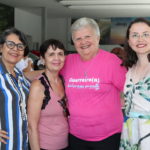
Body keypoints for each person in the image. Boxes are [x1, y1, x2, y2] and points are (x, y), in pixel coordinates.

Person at [60, 17, 127, 150]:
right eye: (78, 39)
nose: (83, 42)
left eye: (87, 36)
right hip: (76, 135)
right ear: (73, 42)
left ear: (97, 37)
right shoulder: (67, 61)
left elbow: (130, 90)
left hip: (108, 136)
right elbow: (47, 74)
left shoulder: (112, 62)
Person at [27, 39, 69, 150]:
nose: (57, 58)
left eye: (60, 54)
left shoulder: (64, 80)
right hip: (45, 146)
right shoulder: (38, 86)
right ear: (42, 59)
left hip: (66, 144)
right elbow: (31, 126)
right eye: (51, 54)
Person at [119, 18, 150, 150]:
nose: (140, 39)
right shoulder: (129, 68)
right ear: (128, 40)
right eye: (135, 35)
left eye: (146, 34)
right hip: (130, 130)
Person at [0, 27, 30, 149]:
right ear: (1, 47)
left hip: (22, 143)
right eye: (10, 44)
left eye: (20, 46)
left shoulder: (19, 75)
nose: (15, 49)